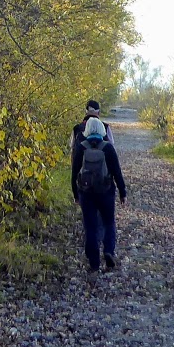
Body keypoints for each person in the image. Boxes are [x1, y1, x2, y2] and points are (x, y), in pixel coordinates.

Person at [71, 116, 127, 273]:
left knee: (90, 226)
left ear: (87, 130)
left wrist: (75, 194)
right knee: (109, 222)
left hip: (86, 192)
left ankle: (94, 263)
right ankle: (108, 250)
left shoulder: (81, 147)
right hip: (106, 191)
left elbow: (74, 173)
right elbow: (117, 172)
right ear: (102, 130)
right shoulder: (108, 148)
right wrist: (122, 192)